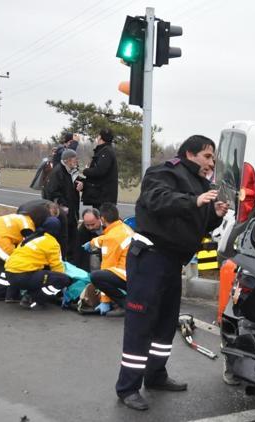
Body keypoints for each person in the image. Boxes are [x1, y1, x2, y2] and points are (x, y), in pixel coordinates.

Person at [116, 135, 228, 411]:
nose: (211, 163)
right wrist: (195, 200)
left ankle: (156, 375)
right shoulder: (164, 172)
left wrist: (215, 213)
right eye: (207, 156)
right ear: (190, 154)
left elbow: (198, 222)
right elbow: (158, 200)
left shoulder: (200, 184)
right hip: (150, 258)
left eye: (212, 158)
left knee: (166, 323)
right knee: (141, 324)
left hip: (172, 261)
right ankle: (128, 388)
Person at [0, 200, 57, 301]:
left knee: (4, 262)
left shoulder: (21, 217)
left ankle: (1, 291)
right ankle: (8, 294)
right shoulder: (27, 225)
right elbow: (28, 249)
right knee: (13, 264)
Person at [3, 216, 72, 309]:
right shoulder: (51, 242)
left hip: (9, 274)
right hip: (24, 275)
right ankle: (32, 298)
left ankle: (10, 295)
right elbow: (57, 266)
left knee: (39, 274)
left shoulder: (31, 238)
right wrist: (62, 283)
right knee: (63, 279)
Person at [88, 202, 133, 316]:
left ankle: (125, 304)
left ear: (102, 219)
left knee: (97, 276)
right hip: (138, 274)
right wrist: (93, 242)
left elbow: (106, 267)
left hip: (128, 276)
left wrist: (105, 301)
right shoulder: (124, 227)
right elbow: (108, 238)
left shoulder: (111, 238)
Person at [42, 149, 81, 260]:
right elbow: (52, 191)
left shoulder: (72, 171)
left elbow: (75, 182)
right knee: (65, 236)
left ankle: (72, 260)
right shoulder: (58, 172)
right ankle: (63, 259)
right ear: (68, 160)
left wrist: (81, 184)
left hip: (72, 209)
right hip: (63, 210)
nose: (76, 161)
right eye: (75, 158)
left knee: (73, 236)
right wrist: (62, 205)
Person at [82, 128, 118, 209]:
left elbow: (100, 171)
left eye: (99, 136)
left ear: (101, 138)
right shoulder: (106, 150)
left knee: (101, 219)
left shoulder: (106, 151)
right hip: (101, 195)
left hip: (103, 196)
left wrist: (86, 171)